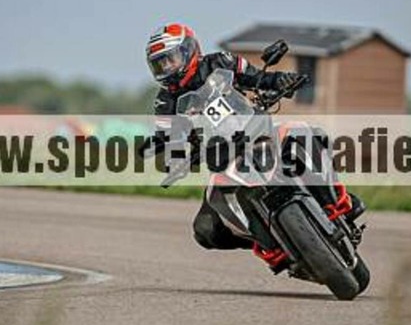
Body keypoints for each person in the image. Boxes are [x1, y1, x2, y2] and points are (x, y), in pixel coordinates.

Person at [143, 22, 364, 270]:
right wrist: (175, 157)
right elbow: (169, 135)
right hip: (220, 157)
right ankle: (274, 244)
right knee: (205, 229)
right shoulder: (165, 101)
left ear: (188, 51)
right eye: (160, 64)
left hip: (255, 128)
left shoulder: (221, 61)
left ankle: (339, 201)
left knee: (304, 133)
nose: (166, 68)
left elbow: (258, 77)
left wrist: (281, 80)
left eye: (170, 59)